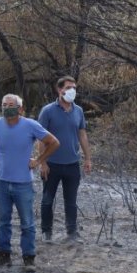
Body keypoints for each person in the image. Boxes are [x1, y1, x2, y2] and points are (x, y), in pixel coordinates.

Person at [0, 94, 59, 272]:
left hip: (23, 183)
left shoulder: (30, 125)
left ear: (20, 108)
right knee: (3, 221)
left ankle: (29, 258)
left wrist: (38, 160)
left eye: (11, 105)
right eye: (4, 105)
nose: (7, 108)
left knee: (27, 222)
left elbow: (53, 142)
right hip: (2, 182)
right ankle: (3, 254)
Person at [38, 76, 92, 243]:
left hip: (72, 164)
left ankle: (72, 233)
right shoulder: (47, 111)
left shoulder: (78, 111)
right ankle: (46, 233)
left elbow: (82, 134)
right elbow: (40, 137)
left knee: (71, 201)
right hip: (51, 164)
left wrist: (87, 158)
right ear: (59, 89)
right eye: (68, 87)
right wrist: (43, 162)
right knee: (47, 200)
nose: (71, 91)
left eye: (74, 88)